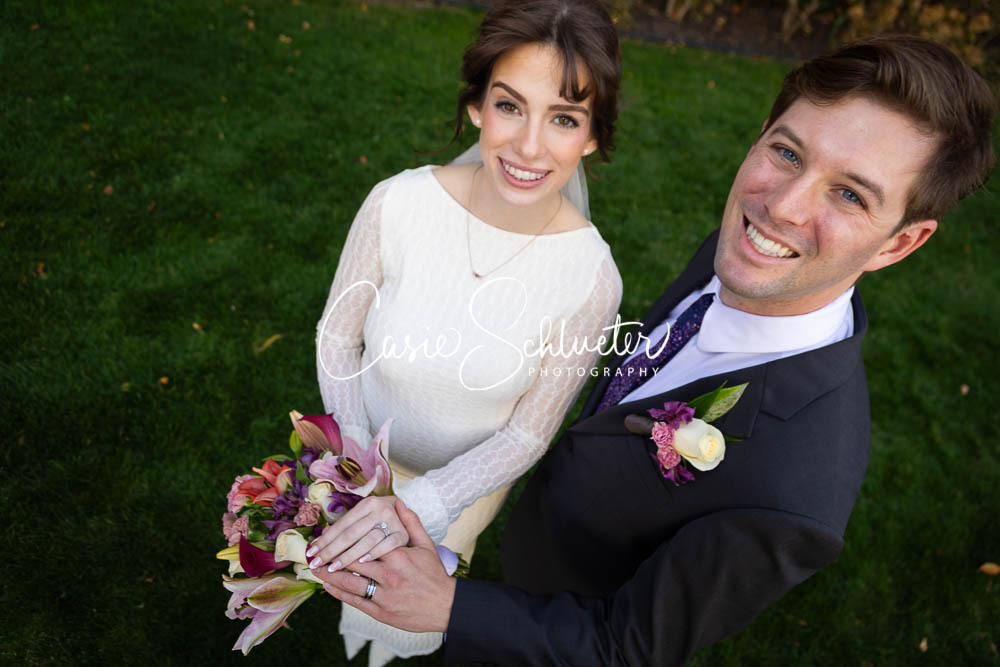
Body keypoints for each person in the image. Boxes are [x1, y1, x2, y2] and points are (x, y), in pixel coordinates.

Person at [316, 34, 997, 665]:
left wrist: (451, 608)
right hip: (532, 543)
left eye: (849, 194)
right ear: (761, 135)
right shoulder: (737, 257)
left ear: (900, 242)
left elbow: (627, 646)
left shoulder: (794, 497)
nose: (783, 207)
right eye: (788, 153)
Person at [305, 1, 624, 664]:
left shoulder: (592, 279)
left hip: (459, 494)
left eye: (564, 118)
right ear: (477, 106)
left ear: (592, 136)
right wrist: (362, 467)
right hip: (362, 460)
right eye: (510, 106)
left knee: (408, 625)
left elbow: (528, 434)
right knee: (347, 587)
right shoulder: (396, 204)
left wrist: (421, 505)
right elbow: (337, 339)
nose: (529, 146)